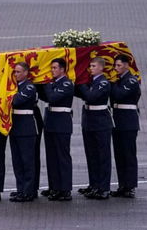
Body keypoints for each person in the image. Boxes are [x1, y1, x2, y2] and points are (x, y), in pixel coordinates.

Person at [37, 57, 75, 201]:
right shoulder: (54, 83)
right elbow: (44, 97)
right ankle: (54, 186)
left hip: (62, 124)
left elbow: (52, 97)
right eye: (51, 68)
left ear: (62, 69)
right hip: (51, 122)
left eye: (54, 68)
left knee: (62, 157)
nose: (52, 71)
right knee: (52, 157)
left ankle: (65, 189)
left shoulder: (67, 84)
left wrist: (46, 83)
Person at [76, 57, 113, 200]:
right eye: (90, 66)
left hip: (101, 122)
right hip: (89, 121)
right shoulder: (91, 81)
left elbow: (91, 96)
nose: (90, 68)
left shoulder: (103, 82)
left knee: (103, 156)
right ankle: (94, 185)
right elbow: (80, 93)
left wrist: (80, 84)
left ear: (101, 68)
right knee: (91, 155)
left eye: (93, 66)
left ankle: (104, 188)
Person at [110, 55, 141, 198]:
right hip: (117, 121)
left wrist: (111, 84)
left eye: (119, 66)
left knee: (128, 155)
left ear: (127, 66)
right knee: (119, 155)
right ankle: (122, 184)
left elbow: (119, 94)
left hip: (128, 122)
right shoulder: (119, 80)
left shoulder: (132, 80)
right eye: (115, 66)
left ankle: (130, 186)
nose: (116, 68)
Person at [7, 62, 39, 202]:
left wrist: (7, 95)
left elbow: (17, 100)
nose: (16, 74)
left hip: (26, 128)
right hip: (15, 127)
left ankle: (29, 191)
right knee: (17, 161)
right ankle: (21, 189)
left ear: (26, 73)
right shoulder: (15, 86)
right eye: (14, 72)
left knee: (27, 161)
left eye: (19, 72)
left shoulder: (29, 87)